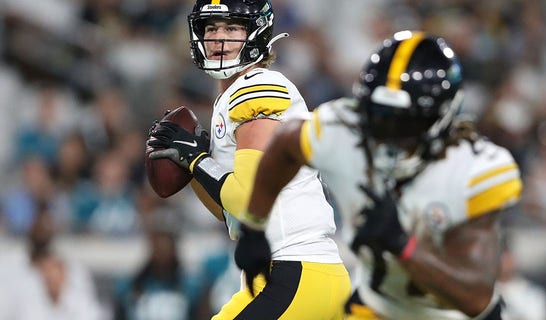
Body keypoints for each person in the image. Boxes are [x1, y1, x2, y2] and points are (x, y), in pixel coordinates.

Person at [240, 31, 523, 319]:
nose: (389, 134)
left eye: (404, 123)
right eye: (379, 117)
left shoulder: (473, 170)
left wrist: (402, 244)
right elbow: (285, 143)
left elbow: (475, 297)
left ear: (443, 117)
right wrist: (253, 227)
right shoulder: (342, 131)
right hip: (378, 307)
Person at [145, 0, 350, 319]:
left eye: (231, 27)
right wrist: (193, 169)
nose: (218, 38)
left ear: (256, 32)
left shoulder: (259, 86)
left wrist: (198, 161)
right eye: (211, 28)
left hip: (297, 272)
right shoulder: (232, 97)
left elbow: (246, 198)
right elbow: (234, 216)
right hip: (288, 276)